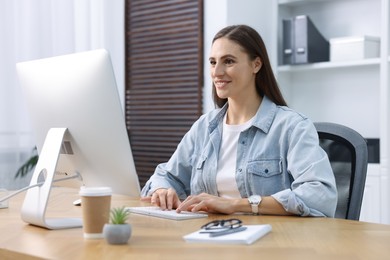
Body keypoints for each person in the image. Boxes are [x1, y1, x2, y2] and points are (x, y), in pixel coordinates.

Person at [141, 24, 337, 217]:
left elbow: (320, 195)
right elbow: (166, 176)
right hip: (209, 237)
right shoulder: (204, 127)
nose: (217, 72)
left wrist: (236, 205)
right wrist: (162, 190)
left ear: (256, 64)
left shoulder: (291, 127)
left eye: (228, 61)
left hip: (271, 241)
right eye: (212, 62)